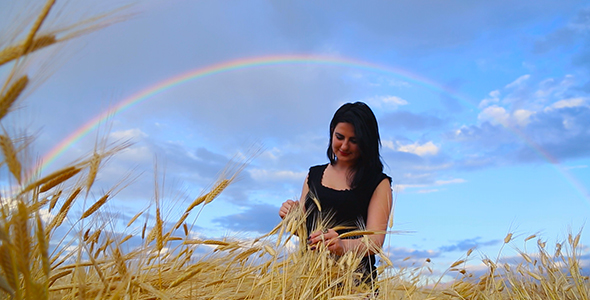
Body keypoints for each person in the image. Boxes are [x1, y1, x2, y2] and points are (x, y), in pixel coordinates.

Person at [279, 101, 392, 286]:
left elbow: (375, 241)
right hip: (309, 282)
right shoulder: (313, 175)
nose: (344, 146)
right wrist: (290, 217)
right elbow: (305, 231)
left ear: (366, 142)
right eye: (339, 137)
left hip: (356, 286)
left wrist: (342, 246)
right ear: (331, 131)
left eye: (354, 141)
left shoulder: (379, 183)